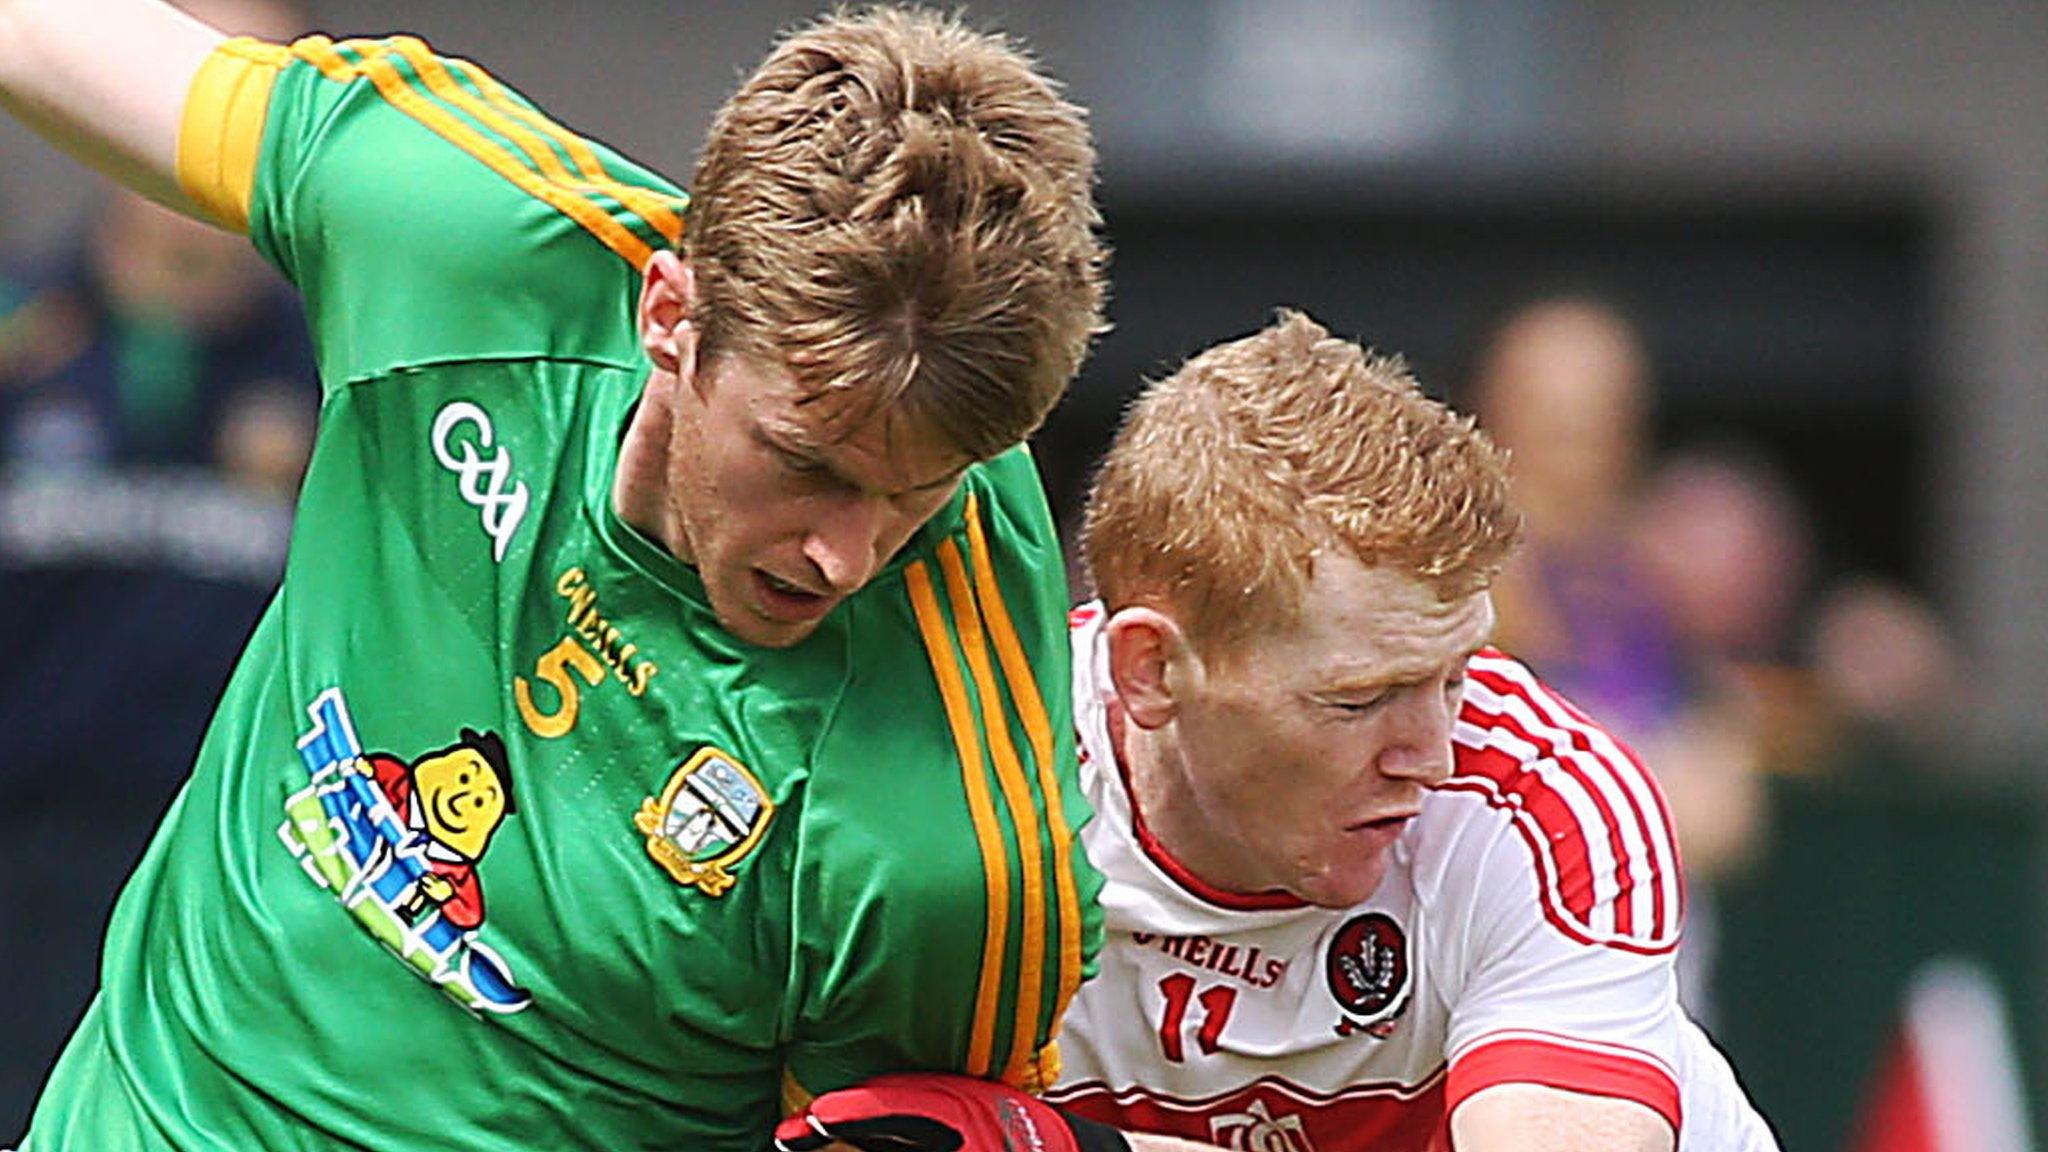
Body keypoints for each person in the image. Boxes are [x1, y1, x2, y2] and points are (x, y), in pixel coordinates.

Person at [0, 1, 1107, 1148]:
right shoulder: (459, 236)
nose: (846, 551)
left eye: (917, 495)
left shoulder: (954, 848)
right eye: (805, 463)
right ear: (670, 316)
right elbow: (43, 35)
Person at [781, 313, 1779, 1152]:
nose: (1429, 755)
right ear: (1150, 671)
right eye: (1359, 699)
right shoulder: (957, 785)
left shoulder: (1544, 810)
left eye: (1453, 674)